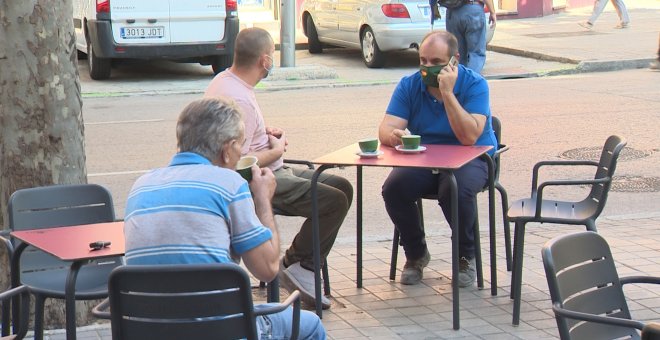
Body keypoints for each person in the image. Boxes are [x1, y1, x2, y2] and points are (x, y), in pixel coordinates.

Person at [123, 97, 326, 339]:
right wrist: (263, 201)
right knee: (310, 324)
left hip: (148, 331)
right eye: (241, 146)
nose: (242, 153)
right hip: (219, 331)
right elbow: (268, 269)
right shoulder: (229, 184)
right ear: (227, 150)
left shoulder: (141, 186)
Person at [204, 27, 353, 309]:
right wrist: (276, 149)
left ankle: (302, 262)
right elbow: (237, 163)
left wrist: (265, 134)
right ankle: (299, 264)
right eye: (271, 56)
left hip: (272, 168)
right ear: (265, 61)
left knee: (342, 186)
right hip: (257, 180)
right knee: (333, 201)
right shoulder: (239, 98)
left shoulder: (226, 80)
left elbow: (243, 139)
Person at [378, 31, 497, 287]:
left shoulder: (475, 84)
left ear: (453, 61)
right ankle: (416, 253)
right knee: (394, 188)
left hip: (473, 159)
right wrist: (394, 135)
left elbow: (469, 137)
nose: (427, 68)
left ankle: (466, 255)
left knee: (453, 188)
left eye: (435, 62)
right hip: (427, 158)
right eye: (423, 61)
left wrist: (448, 94)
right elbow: (385, 128)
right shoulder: (410, 85)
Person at [445, 0, 497, 74]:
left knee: (456, 53)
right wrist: (492, 12)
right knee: (476, 53)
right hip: (472, 10)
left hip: (452, 12)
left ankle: (457, 81)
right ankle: (470, 82)